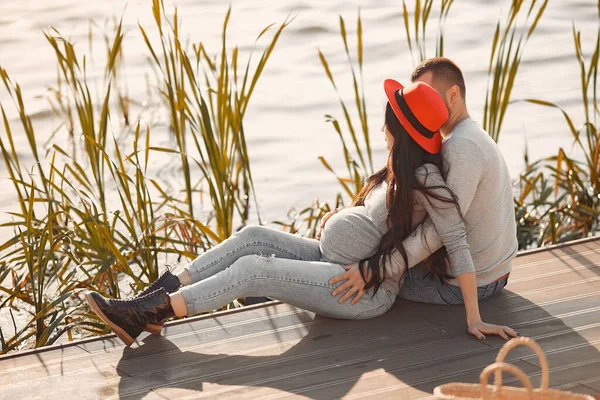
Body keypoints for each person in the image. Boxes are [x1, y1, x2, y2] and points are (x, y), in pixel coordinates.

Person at [85, 78, 517, 347]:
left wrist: (475, 318)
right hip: (343, 263)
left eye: (386, 119)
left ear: (399, 129)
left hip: (363, 290)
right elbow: (376, 223)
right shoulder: (399, 166)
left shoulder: (426, 178)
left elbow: (454, 240)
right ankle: (154, 295)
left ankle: (150, 314)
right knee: (253, 234)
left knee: (255, 268)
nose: (381, 125)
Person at [329, 57, 519, 341]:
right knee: (349, 259)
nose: (421, 102)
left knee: (342, 275)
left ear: (453, 94)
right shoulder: (464, 136)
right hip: (488, 273)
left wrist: (374, 270)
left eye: (429, 93)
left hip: (472, 283)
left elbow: (440, 234)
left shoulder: (461, 147)